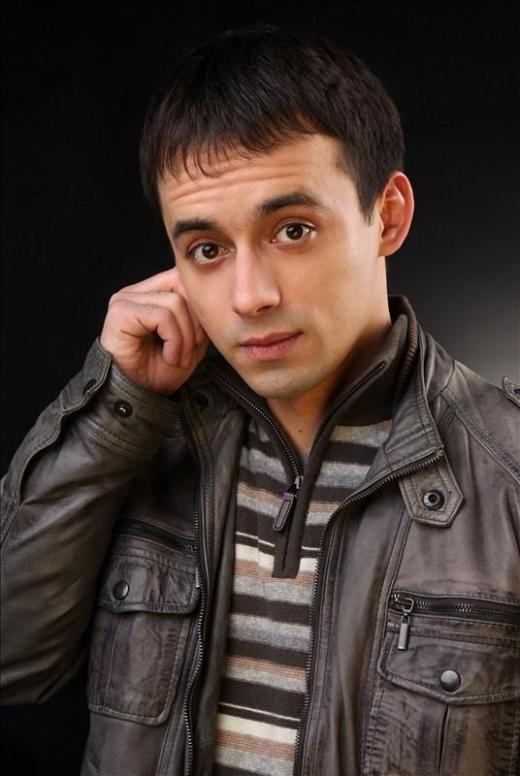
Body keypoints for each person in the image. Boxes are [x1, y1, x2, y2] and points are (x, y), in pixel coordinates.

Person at [1, 23, 519, 776]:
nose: (248, 297)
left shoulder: (506, 475)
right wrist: (116, 408)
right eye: (207, 250)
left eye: (293, 230)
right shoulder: (140, 444)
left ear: (388, 216)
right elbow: (12, 663)